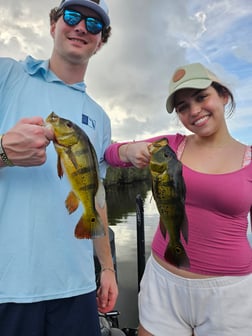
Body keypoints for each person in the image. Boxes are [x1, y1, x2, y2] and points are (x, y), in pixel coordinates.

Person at [105, 62, 252, 336]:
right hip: (163, 284)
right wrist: (130, 150)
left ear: (223, 96)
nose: (194, 110)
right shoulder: (170, 146)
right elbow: (111, 154)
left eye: (201, 96)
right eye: (183, 106)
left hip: (230, 294)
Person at [0, 0, 118, 335]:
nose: (81, 27)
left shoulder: (99, 116)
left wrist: (107, 268)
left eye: (94, 24)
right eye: (71, 16)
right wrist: (3, 150)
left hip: (77, 288)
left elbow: (96, 197)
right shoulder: (7, 75)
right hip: (9, 288)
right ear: (53, 25)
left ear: (100, 42)